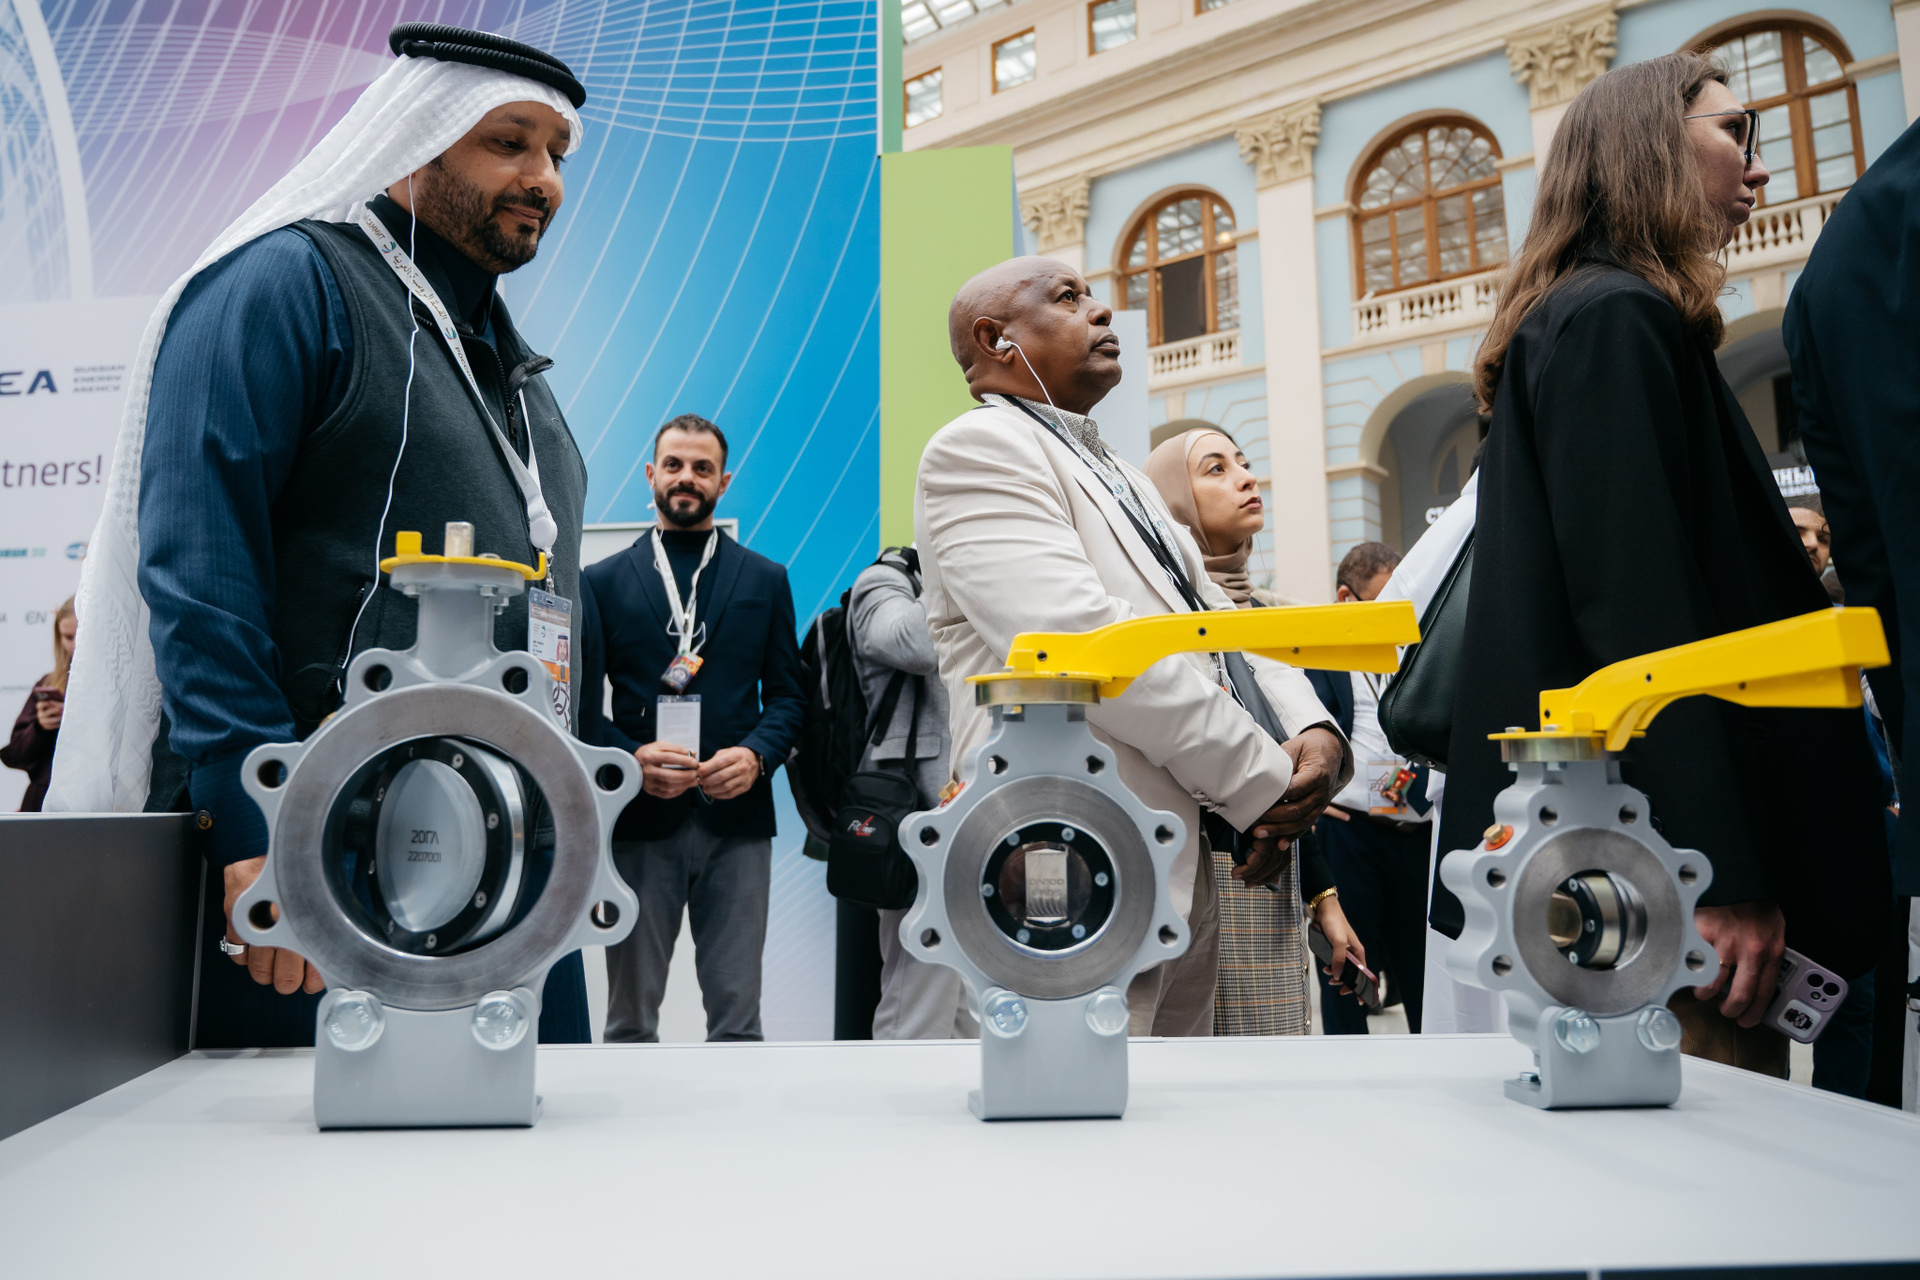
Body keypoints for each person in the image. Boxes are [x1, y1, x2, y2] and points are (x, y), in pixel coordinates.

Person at [49, 24, 598, 1049]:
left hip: (521, 865)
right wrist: (263, 832)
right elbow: (200, 568)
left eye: (558, 155)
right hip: (322, 858)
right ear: (417, 139)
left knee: (533, 1139)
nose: (544, 180)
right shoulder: (285, 285)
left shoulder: (522, 385)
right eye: (509, 142)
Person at [1442, 51, 1891, 1075]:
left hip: (1630, 855)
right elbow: (1641, 613)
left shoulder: (1594, 314)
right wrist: (1715, 870)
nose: (1758, 166)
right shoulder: (1615, 317)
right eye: (1736, 132)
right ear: (1648, 146)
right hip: (1662, 882)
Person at [917, 256, 1351, 1036]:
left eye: (1092, 294)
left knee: (1171, 1104)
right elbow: (1081, 641)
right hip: (1068, 848)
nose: (1102, 310)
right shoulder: (976, 449)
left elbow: (1218, 615)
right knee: (1065, 1094)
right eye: (1067, 298)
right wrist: (1265, 780)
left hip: (1174, 857)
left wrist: (1312, 729)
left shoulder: (1121, 472)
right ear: (995, 338)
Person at [578, 415, 807, 1042]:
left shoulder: (765, 579)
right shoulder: (601, 582)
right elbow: (580, 711)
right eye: (674, 465)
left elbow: (789, 698)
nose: (687, 478)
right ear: (650, 474)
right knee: (629, 1023)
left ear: (723, 482)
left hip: (739, 825)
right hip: (638, 821)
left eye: (702, 468)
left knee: (738, 1025)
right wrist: (630, 758)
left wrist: (756, 757)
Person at [1143, 427, 1364, 1035]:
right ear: (1172, 500)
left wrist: (1323, 898)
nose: (1246, 478)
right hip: (1205, 873)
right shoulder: (1159, 622)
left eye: (1243, 463)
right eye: (1215, 469)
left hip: (1273, 878)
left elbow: (1294, 771)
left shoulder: (1263, 617)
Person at [844, 546, 976, 1039]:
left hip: (977, 806)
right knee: (918, 990)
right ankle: (901, 1085)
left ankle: (966, 1083)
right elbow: (914, 645)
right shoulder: (882, 580)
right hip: (916, 810)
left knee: (969, 994)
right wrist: (954, 569)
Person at [1304, 543, 1434, 1035]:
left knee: (1426, 972)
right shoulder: (1321, 654)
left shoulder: (1417, 650)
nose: (1396, 613)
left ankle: (1438, 1064)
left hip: (1418, 833)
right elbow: (1292, 729)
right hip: (1350, 834)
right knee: (1347, 970)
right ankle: (1346, 1068)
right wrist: (1311, 801)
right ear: (1346, 598)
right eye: (1384, 600)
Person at [3, 596, 75, 812]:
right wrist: (41, 728)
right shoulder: (47, 683)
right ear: (58, 638)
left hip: (89, 801)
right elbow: (14, 755)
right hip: (42, 800)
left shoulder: (113, 686)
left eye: (81, 635)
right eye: (68, 637)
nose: (74, 645)